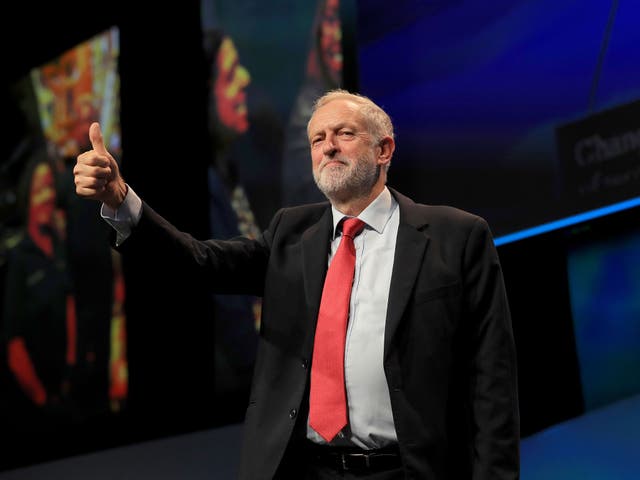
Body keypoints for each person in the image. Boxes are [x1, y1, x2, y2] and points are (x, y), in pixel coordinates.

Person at [73, 88, 520, 479]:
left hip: (412, 470)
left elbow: (492, 381)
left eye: (344, 133)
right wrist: (121, 202)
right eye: (317, 140)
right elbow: (200, 262)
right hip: (307, 470)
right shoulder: (290, 233)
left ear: (384, 150)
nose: (328, 147)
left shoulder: (456, 236)